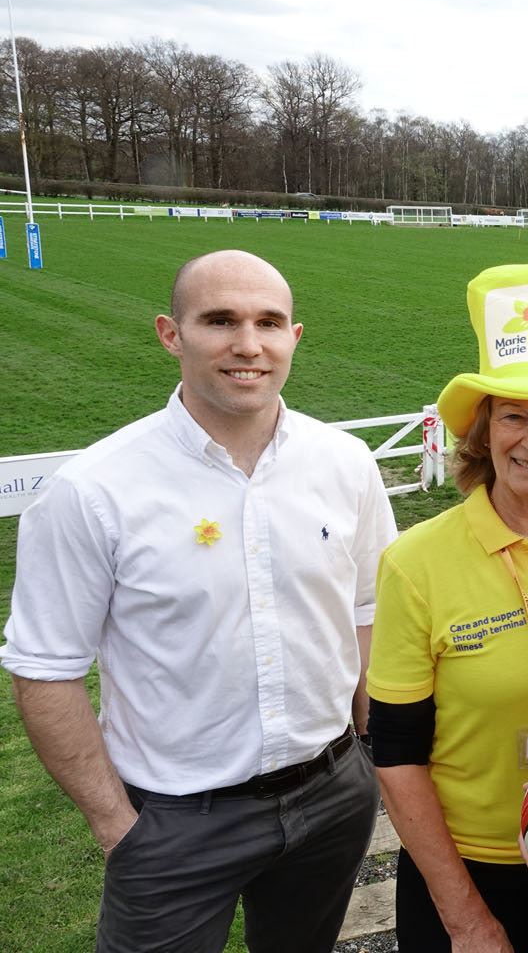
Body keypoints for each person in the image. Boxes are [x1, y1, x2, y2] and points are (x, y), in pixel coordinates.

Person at [1, 249, 397, 952]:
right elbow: (44, 669)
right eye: (220, 320)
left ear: (294, 338)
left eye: (269, 323)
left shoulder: (346, 463)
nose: (249, 345)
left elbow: (367, 614)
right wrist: (116, 826)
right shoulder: (94, 490)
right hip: (173, 823)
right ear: (170, 333)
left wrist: (370, 754)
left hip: (333, 796)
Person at [365, 263, 528, 953]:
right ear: (483, 432)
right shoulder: (417, 561)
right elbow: (396, 756)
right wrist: (465, 920)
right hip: (463, 871)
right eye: (514, 416)